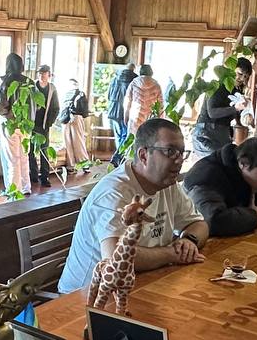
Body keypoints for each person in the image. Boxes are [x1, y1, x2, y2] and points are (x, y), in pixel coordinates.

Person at [57, 118, 210, 294]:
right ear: (144, 155)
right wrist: (172, 254)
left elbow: (199, 224)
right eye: (170, 152)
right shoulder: (114, 192)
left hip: (140, 284)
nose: (179, 160)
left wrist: (188, 241)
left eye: (182, 153)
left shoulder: (167, 185)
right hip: (84, 296)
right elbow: (116, 256)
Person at [183, 136, 257, 236]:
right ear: (243, 163)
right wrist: (253, 215)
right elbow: (213, 221)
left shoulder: (246, 172)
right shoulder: (207, 176)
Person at [191, 58, 255, 156]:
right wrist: (236, 108)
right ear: (230, 69)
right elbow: (212, 113)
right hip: (207, 133)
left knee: (225, 161)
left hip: (222, 133)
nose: (242, 79)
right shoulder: (216, 85)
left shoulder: (236, 91)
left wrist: (246, 117)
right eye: (240, 74)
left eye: (245, 76)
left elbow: (236, 115)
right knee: (218, 161)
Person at [0, 53, 32, 195]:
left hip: (10, 125)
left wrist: (6, 115)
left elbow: (1, 105)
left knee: (12, 159)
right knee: (24, 157)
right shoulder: (29, 82)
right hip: (27, 126)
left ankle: (14, 190)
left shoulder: (7, 82)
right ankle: (26, 187)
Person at [28, 65, 60, 189]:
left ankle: (45, 176)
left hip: (44, 124)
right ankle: (33, 175)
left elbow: (56, 108)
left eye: (44, 73)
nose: (42, 75)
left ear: (49, 75)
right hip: (32, 123)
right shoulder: (32, 87)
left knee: (44, 150)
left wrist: (49, 123)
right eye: (40, 73)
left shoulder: (52, 89)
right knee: (31, 150)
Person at [59, 78, 91, 172]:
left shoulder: (65, 94)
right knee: (79, 141)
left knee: (67, 142)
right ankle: (84, 164)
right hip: (76, 117)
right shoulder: (81, 94)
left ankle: (71, 166)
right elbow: (84, 111)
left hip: (65, 119)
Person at [123, 64, 164, 136]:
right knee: (148, 140)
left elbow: (127, 102)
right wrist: (160, 120)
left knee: (134, 139)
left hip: (135, 117)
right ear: (151, 72)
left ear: (140, 72)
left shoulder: (134, 83)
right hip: (150, 118)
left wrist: (126, 116)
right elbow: (160, 105)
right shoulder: (157, 85)